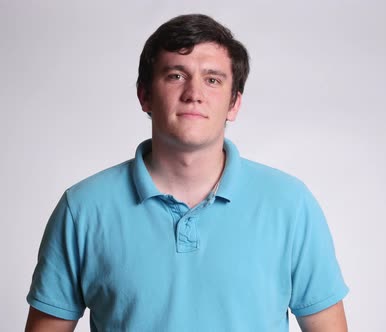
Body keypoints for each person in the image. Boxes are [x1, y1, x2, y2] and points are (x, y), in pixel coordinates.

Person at [25, 14, 348, 332]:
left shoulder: (289, 203)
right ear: (144, 95)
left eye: (212, 79)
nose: (194, 93)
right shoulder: (83, 207)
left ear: (234, 103)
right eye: (176, 75)